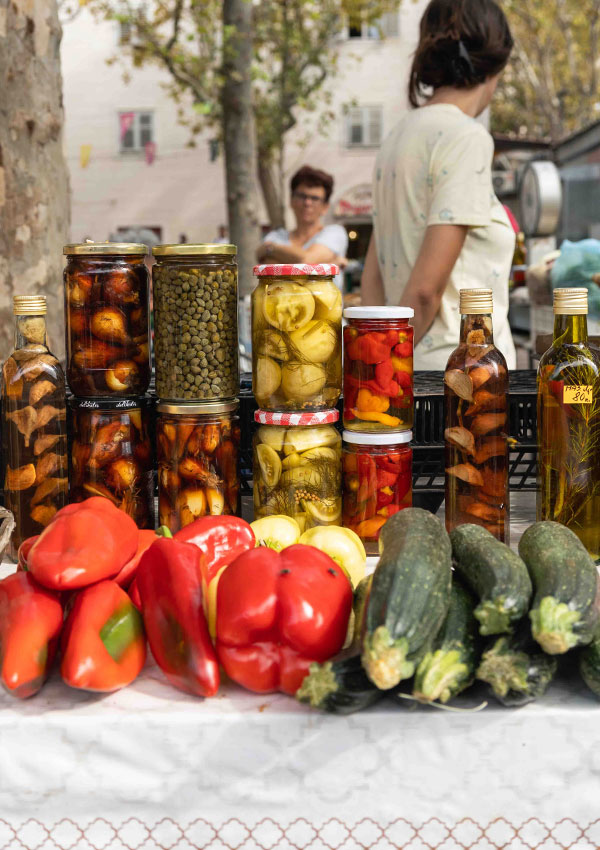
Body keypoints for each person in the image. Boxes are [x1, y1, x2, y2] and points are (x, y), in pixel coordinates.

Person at [361, 0, 516, 369]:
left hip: (413, 370)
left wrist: (381, 363)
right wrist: (388, 363)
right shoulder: (466, 138)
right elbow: (426, 291)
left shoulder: (396, 138)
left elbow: (373, 276)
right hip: (467, 375)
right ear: (494, 66)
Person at [257, 165, 349, 290]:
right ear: (291, 200)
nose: (307, 203)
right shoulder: (276, 236)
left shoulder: (334, 232)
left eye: (315, 198)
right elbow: (271, 275)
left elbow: (306, 260)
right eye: (302, 196)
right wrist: (329, 265)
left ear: (325, 207)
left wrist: (270, 249)